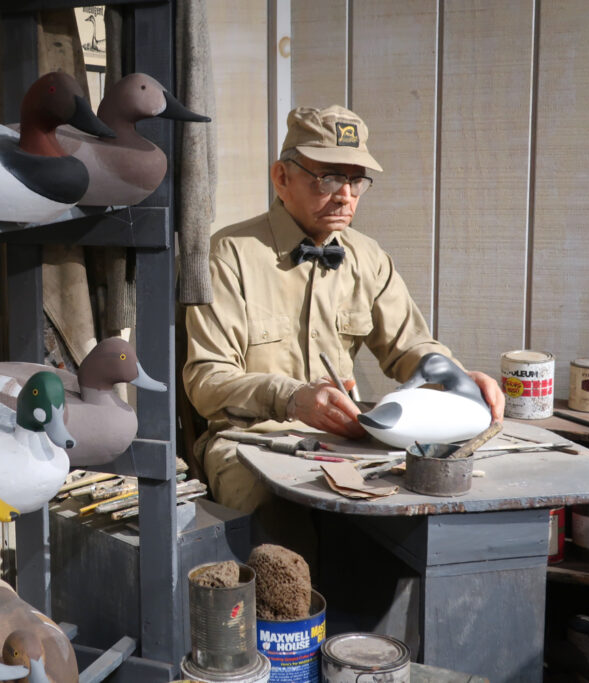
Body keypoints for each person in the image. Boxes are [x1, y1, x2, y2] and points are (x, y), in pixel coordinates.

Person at [182, 104, 505, 530]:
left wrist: (454, 376)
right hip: (253, 442)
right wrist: (292, 398)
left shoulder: (367, 257)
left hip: (346, 442)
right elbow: (207, 381)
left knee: (431, 509)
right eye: (329, 177)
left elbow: (411, 346)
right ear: (282, 177)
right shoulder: (229, 255)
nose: (345, 195)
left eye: (356, 180)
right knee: (276, 518)